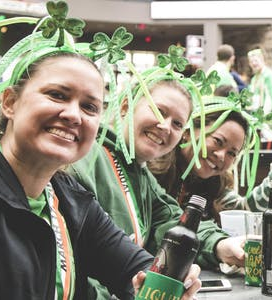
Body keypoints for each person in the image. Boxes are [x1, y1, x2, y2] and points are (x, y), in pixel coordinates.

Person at [0, 12, 200, 299]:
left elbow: (133, 268)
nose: (73, 115)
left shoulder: (69, 198)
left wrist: (168, 279)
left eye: (89, 107)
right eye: (57, 95)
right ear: (10, 102)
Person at [67, 60, 245, 290]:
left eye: (177, 123)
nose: (165, 126)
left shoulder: (140, 174)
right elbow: (74, 267)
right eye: (159, 111)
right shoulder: (85, 158)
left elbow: (173, 221)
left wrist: (221, 245)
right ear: (125, 107)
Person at [150, 96, 272, 223]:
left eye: (232, 153)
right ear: (188, 132)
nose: (221, 156)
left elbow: (244, 211)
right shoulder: (151, 172)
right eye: (217, 141)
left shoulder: (215, 183)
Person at [247, 48, 272, 149]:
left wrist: (262, 116)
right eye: (251, 61)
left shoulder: (269, 76)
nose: (254, 63)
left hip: (267, 117)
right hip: (256, 117)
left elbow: (271, 99)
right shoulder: (254, 78)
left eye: (256, 60)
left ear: (262, 60)